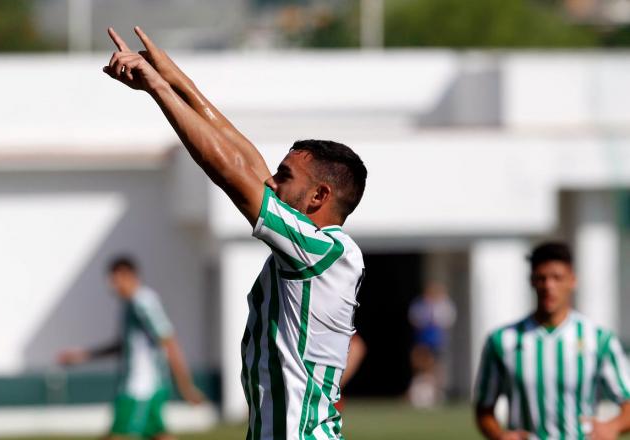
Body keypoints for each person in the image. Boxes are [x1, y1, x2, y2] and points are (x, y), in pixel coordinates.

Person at [101, 26, 367, 440]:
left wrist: (160, 91)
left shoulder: (322, 250)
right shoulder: (313, 246)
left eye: (285, 176)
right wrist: (176, 79)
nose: (272, 183)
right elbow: (245, 159)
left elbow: (231, 172)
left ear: (319, 195)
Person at [474, 242, 630, 440]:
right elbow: (484, 408)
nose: (549, 286)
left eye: (557, 278)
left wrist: (612, 426)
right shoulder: (502, 340)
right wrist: (500, 435)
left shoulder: (598, 339)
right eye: (542, 278)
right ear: (531, 281)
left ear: (572, 281)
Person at [58, 256, 204, 440]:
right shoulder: (129, 304)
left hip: (139, 388)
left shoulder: (143, 302)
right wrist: (84, 355)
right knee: (159, 435)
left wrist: (186, 386)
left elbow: (168, 340)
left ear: (127, 275)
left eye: (114, 279)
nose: (111, 285)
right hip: (147, 387)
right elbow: (124, 345)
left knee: (118, 436)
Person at [407, 282, 456, 407]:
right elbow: (415, 319)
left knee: (436, 367)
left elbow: (448, 320)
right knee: (420, 365)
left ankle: (436, 393)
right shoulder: (420, 305)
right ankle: (420, 392)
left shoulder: (443, 305)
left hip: (437, 341)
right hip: (422, 341)